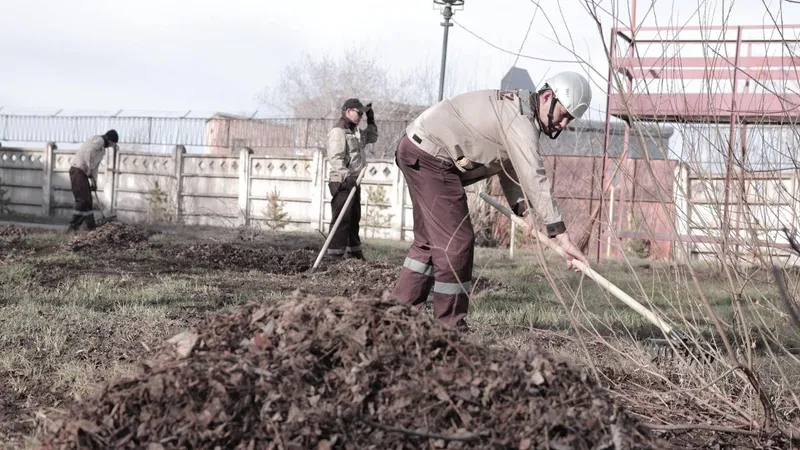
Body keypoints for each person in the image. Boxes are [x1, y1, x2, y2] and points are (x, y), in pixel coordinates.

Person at [389, 71, 592, 329]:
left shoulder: (519, 112)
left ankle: (397, 318)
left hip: (420, 150)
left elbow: (507, 166)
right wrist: (559, 233)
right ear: (548, 97)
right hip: (431, 157)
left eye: (569, 121)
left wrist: (524, 210)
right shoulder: (519, 120)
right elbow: (533, 175)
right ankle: (450, 328)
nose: (563, 125)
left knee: (428, 244)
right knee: (457, 244)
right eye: (564, 115)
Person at [324, 98, 378, 260]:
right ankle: (334, 256)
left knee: (354, 218)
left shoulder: (355, 131)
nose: (361, 116)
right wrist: (346, 176)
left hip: (354, 181)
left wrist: (371, 119)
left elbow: (372, 137)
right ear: (348, 111)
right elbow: (335, 158)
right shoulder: (338, 131)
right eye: (358, 113)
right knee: (342, 219)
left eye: (362, 114)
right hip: (342, 181)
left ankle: (354, 254)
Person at [68, 129, 119, 231]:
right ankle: (73, 227)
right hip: (77, 170)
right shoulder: (98, 140)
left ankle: (91, 228)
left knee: (88, 202)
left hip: (83, 173)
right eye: (112, 143)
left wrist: (94, 182)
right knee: (82, 200)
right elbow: (89, 152)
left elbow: (95, 167)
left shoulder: (102, 150)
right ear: (109, 139)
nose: (111, 146)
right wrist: (89, 168)